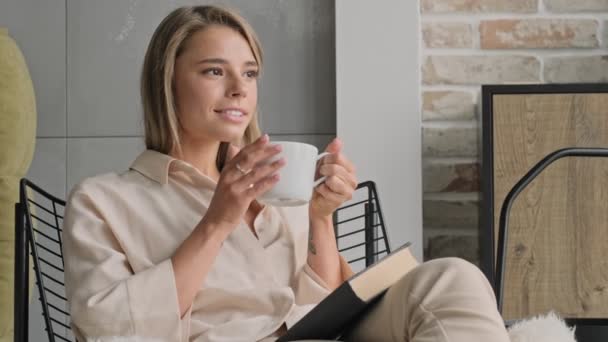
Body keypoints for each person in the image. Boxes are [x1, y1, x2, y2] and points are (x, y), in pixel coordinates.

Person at [63, 5, 511, 342]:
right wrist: (218, 219)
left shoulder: (277, 188)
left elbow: (326, 306)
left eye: (250, 73)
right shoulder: (104, 201)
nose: (239, 88)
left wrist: (319, 218)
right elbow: (108, 328)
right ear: (167, 81)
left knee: (453, 276)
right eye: (214, 71)